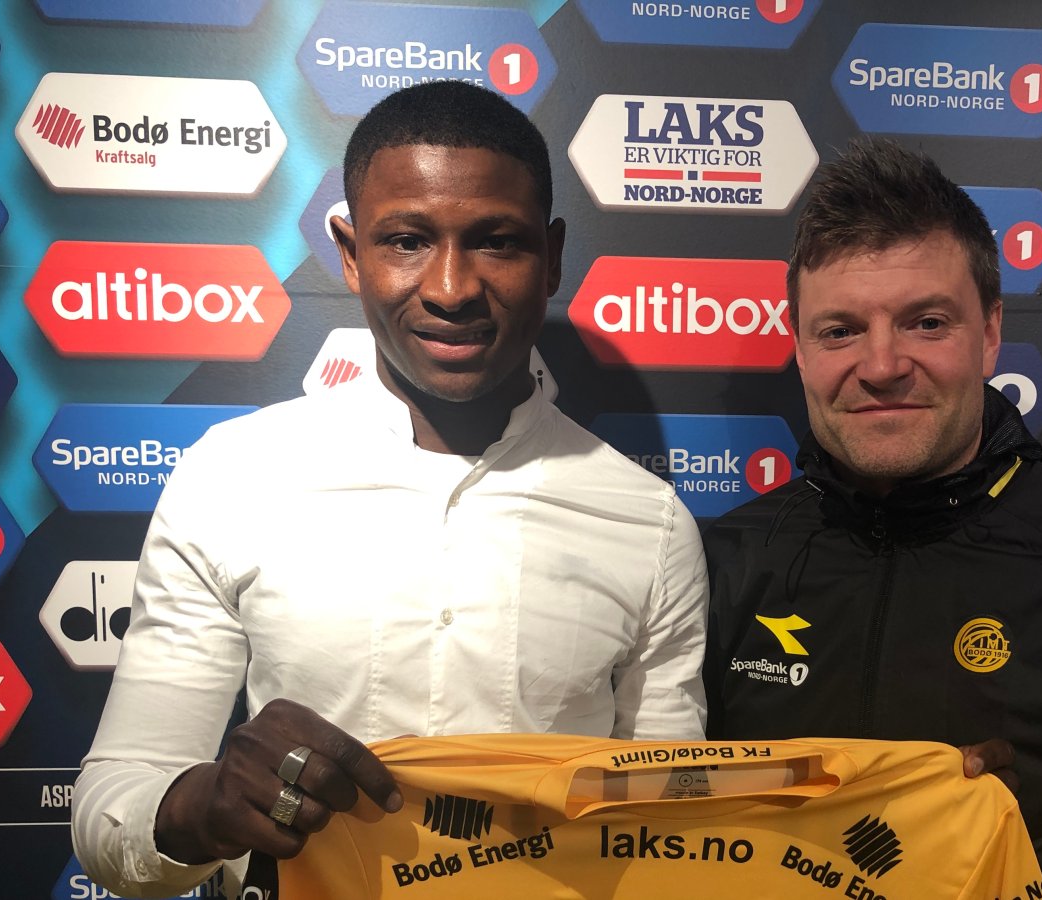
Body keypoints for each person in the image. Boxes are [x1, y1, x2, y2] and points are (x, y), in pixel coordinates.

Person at [72, 82, 709, 898]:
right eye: (406, 240)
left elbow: (668, 827)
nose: (450, 288)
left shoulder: (650, 524)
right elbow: (111, 813)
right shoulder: (230, 478)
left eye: (496, 242)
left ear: (551, 257)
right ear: (349, 254)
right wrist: (206, 805)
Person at [701, 138, 1042, 899]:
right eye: (840, 330)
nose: (882, 365)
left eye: (927, 322)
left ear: (991, 333)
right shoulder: (723, 565)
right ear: (799, 347)